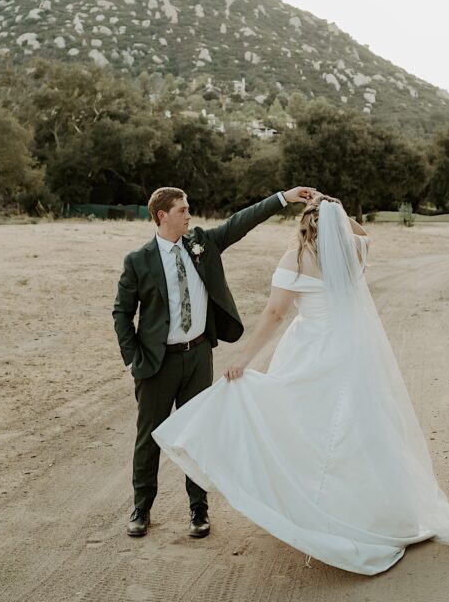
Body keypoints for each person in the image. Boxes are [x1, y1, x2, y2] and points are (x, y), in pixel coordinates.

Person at [152, 193, 449, 574]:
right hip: (350, 353)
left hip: (311, 353)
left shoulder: (295, 260)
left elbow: (276, 312)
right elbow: (364, 235)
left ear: (303, 224)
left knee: (306, 430)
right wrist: (338, 213)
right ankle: (372, 511)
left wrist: (245, 360)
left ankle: (319, 511)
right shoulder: (354, 254)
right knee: (356, 431)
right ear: (336, 224)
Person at [112, 184, 314, 540]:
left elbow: (240, 222)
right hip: (157, 363)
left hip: (198, 356)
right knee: (149, 438)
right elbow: (121, 314)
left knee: (198, 437)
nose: (190, 215)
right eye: (183, 210)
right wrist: (133, 359)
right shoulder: (138, 260)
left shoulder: (202, 244)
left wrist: (283, 198)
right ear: (163, 216)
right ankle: (141, 509)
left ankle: (198, 510)